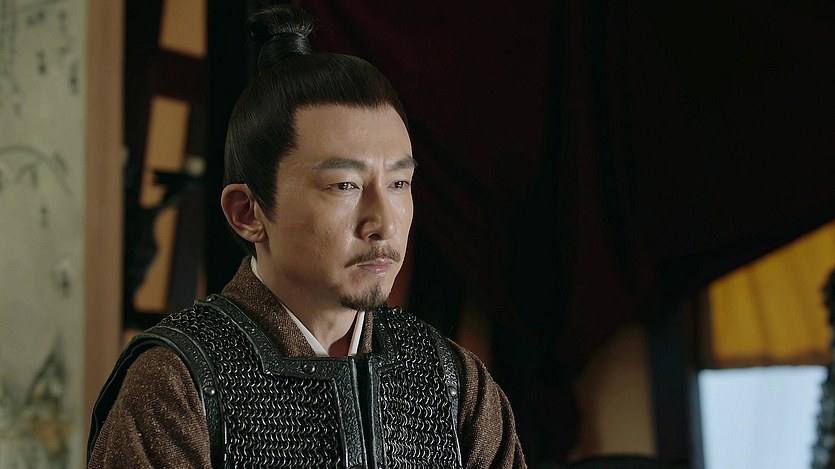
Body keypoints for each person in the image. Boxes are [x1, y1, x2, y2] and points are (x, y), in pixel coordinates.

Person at [87, 4, 526, 468]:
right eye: (345, 185)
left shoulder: (451, 379)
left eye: (399, 183)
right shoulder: (178, 384)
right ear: (247, 213)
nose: (384, 223)